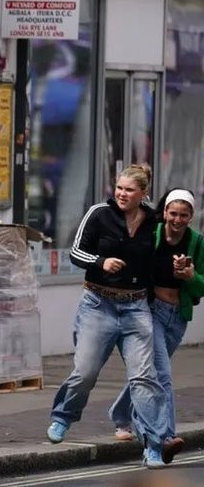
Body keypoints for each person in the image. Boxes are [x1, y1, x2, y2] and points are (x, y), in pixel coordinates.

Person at [46, 164, 170, 468]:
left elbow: (164, 254)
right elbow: (76, 252)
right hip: (98, 304)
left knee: (143, 377)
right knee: (85, 372)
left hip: (136, 308)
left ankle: (153, 446)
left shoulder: (154, 220)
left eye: (129, 190)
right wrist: (101, 261)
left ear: (143, 194)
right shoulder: (99, 213)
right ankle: (63, 417)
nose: (122, 194)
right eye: (119, 188)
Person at [108, 188, 203, 463]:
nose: (177, 219)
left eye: (183, 215)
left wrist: (190, 276)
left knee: (147, 374)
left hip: (178, 317)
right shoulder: (154, 234)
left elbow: (203, 283)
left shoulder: (197, 243)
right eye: (173, 213)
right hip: (150, 313)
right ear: (164, 213)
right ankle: (163, 439)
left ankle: (121, 414)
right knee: (161, 375)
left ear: (191, 216)